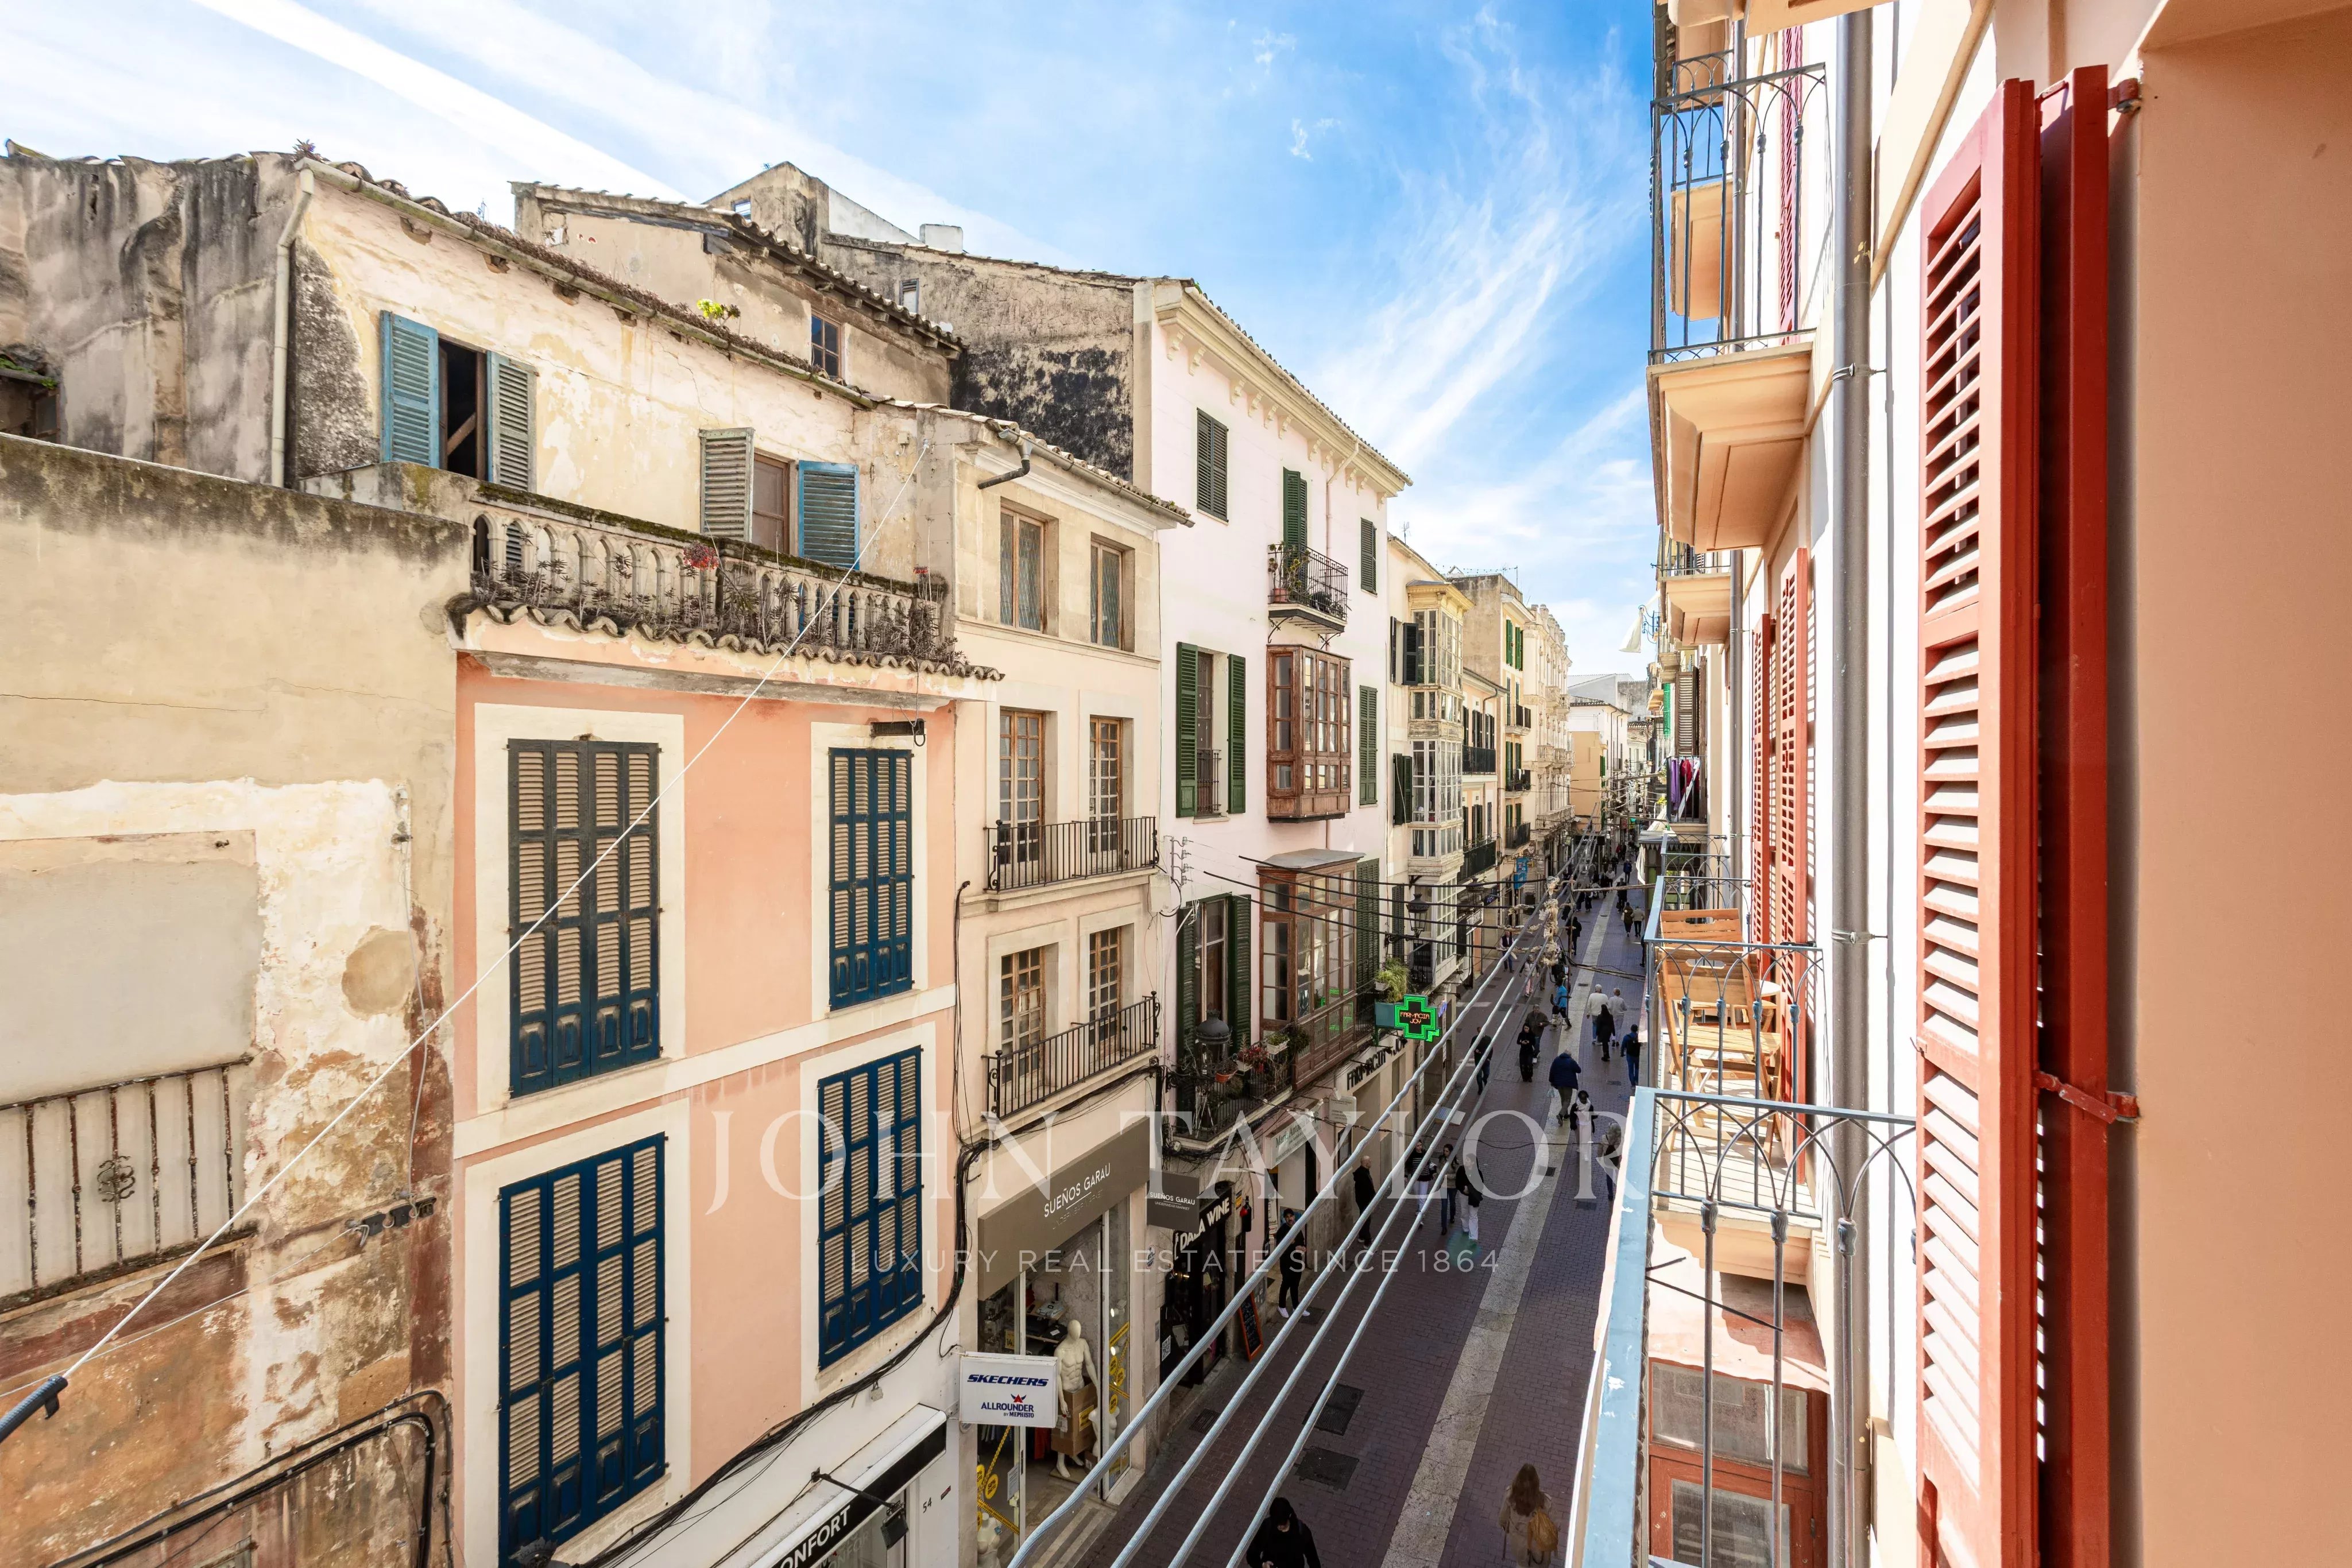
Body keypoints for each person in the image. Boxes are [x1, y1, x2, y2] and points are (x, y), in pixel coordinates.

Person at [1499, 1464, 1558, 1566]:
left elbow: (1502, 1520)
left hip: (1520, 1548)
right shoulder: (1546, 1503)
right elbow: (1556, 1526)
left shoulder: (1510, 1497)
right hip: (1541, 1551)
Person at [1245, 1497, 1323, 1568]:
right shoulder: (1267, 1527)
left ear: (1289, 1517)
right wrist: (1262, 1565)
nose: (1280, 1527)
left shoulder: (1302, 1532)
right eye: (1277, 1524)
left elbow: (1313, 1560)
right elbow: (1252, 1554)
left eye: (1283, 1524)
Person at [1278, 1211, 1307, 1317]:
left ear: (1294, 1217)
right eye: (1287, 1217)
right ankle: (1282, 1306)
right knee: (1286, 1284)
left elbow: (1302, 1241)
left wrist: (1304, 1247)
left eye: (1291, 1216)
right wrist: (1294, 1248)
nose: (1290, 1219)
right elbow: (1280, 1248)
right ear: (1284, 1219)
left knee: (1295, 1285)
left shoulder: (1297, 1228)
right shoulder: (1282, 1231)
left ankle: (1296, 1307)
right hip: (1286, 1263)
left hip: (1297, 1261)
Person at [1548, 1047, 1582, 1126]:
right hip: (1568, 1084)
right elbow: (1579, 1070)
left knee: (1563, 1099)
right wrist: (1573, 1061)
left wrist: (1551, 1081)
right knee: (1567, 1100)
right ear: (1570, 1055)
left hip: (1559, 1084)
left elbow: (1552, 1070)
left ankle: (1566, 1115)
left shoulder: (1557, 1060)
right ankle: (1561, 1115)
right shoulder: (1571, 1061)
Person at [1436, 1141, 1459, 1235]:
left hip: (1453, 1187)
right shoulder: (1442, 1160)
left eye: (1447, 1151)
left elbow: (1456, 1175)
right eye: (1444, 1151)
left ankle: (1452, 1216)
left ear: (1451, 1152)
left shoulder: (1456, 1162)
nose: (1445, 1153)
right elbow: (1438, 1168)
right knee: (1444, 1206)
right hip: (1444, 1186)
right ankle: (1444, 1227)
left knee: (1452, 1203)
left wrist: (1446, 1176)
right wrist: (1440, 1174)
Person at [1622, 1022, 1642, 1087]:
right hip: (1637, 1055)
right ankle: (1636, 1080)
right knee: (1637, 1068)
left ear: (1631, 1029)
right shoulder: (1639, 1037)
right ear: (1637, 1030)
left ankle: (1633, 1084)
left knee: (1631, 1070)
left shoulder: (1627, 1037)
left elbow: (1623, 1046)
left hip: (1630, 1056)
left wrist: (1622, 1053)